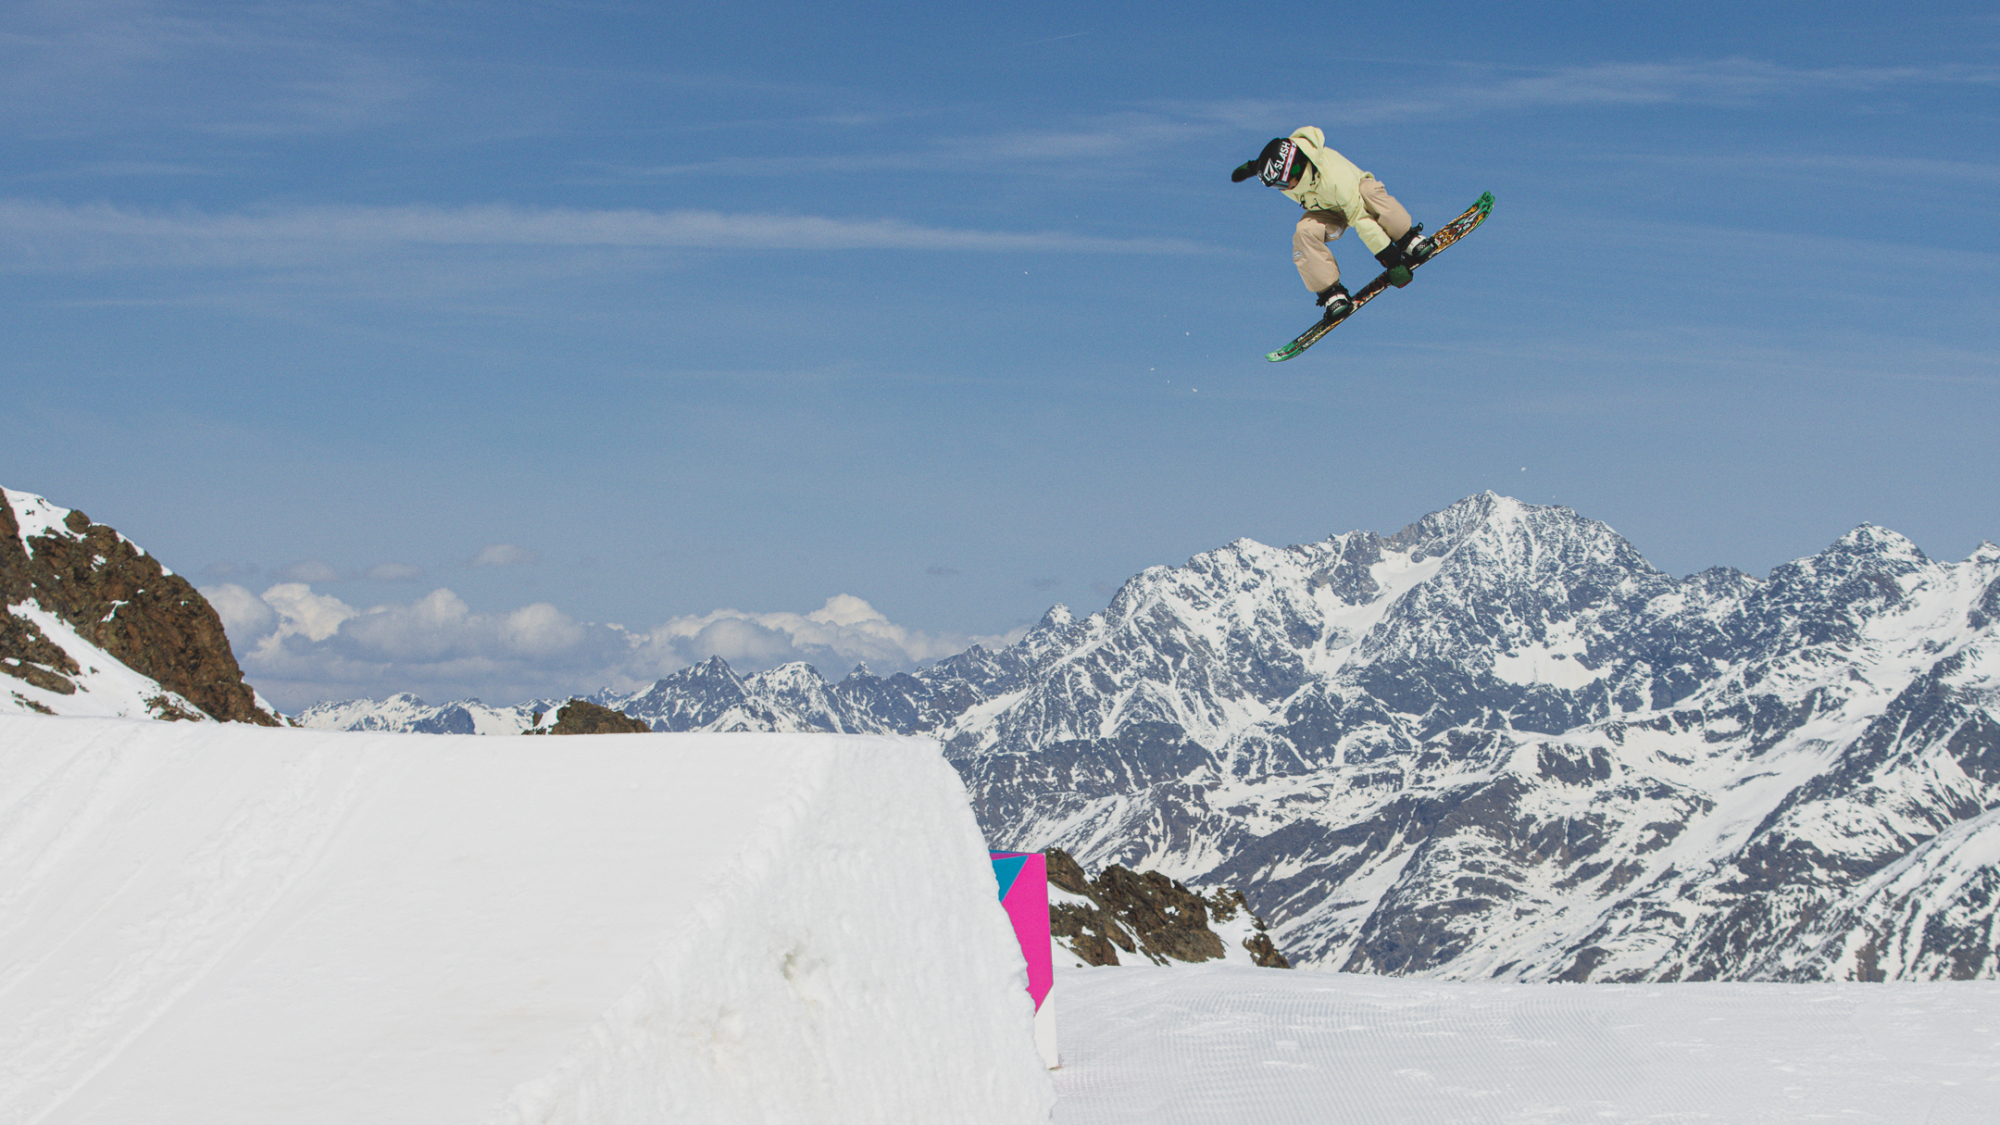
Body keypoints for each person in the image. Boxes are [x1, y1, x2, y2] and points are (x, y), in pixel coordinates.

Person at [1232, 128, 1430, 317]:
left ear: (1296, 167)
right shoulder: (1290, 173)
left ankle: (1407, 238)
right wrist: (1252, 168)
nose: (1281, 188)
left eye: (1281, 183)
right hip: (1327, 210)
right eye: (1274, 185)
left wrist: (1393, 262)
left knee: (1371, 194)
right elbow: (1267, 162)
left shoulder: (1334, 179)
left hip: (1356, 197)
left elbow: (1362, 221)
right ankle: (1331, 292)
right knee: (1304, 231)